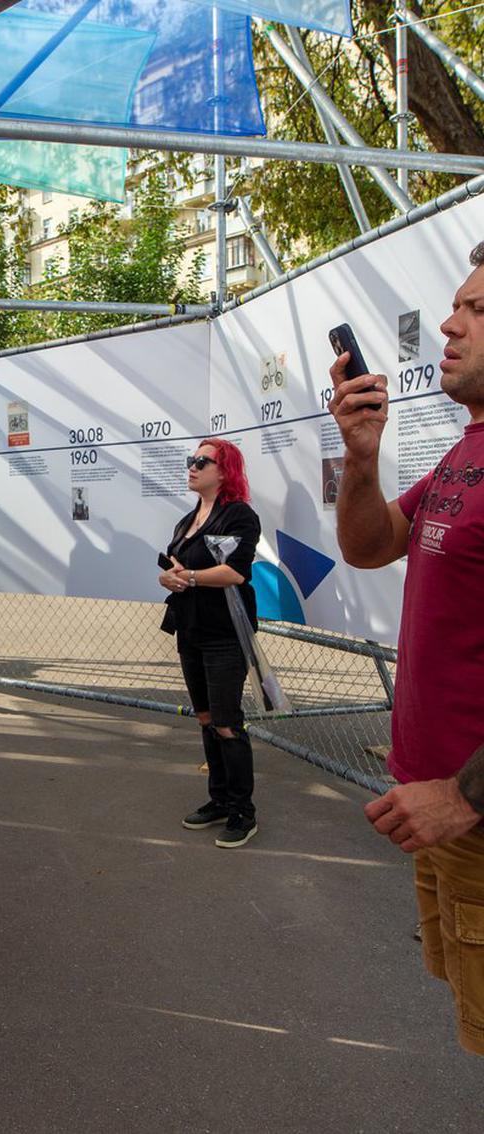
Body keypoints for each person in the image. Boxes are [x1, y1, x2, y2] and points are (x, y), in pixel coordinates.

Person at [328, 240, 484, 1056]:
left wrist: (467, 793)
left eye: (479, 311)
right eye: (459, 305)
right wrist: (361, 458)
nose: (450, 326)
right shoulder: (467, 451)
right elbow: (370, 543)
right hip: (445, 814)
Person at [159, 438, 261, 848]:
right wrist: (168, 577)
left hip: (224, 633)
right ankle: (218, 800)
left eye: (203, 461)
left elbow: (235, 572)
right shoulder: (187, 520)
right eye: (191, 460)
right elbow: (174, 565)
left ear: (225, 470)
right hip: (191, 630)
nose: (193, 466)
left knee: (226, 722)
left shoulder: (239, 515)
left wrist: (191, 578)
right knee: (204, 718)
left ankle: (243, 812)